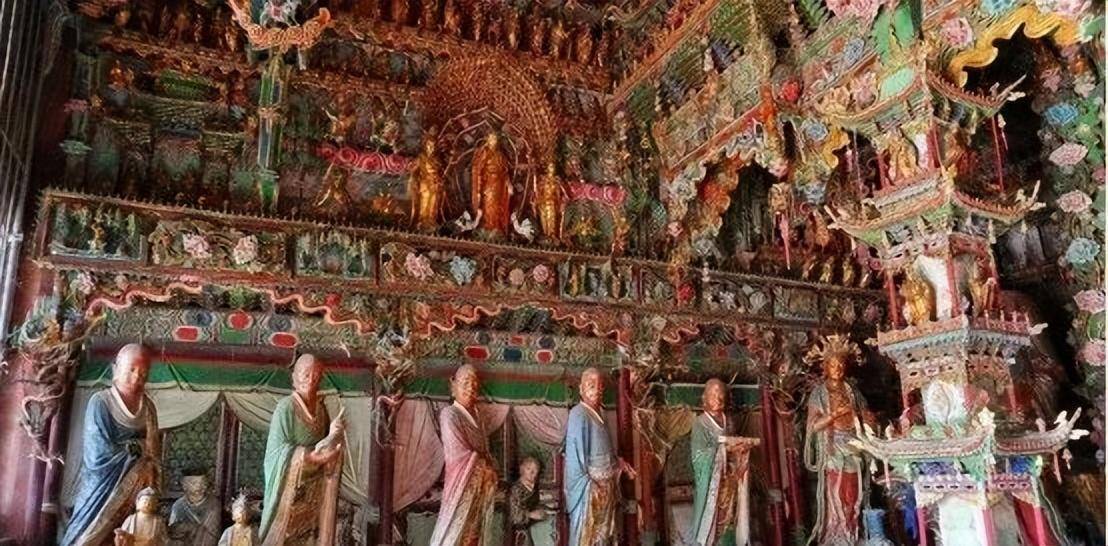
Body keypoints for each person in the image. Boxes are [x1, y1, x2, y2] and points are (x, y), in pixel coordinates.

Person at [62, 344, 160, 546]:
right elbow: (97, 452)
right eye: (131, 369)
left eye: (143, 373)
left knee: (130, 530)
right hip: (102, 483)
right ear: (116, 369)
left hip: (137, 483)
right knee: (88, 533)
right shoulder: (101, 402)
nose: (137, 377)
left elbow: (153, 448)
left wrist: (147, 459)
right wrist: (133, 450)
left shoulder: (148, 407)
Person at [259, 354, 346, 545]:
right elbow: (276, 452)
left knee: (309, 535)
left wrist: (334, 434)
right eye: (306, 374)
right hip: (290, 488)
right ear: (294, 377)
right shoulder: (286, 408)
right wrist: (309, 457)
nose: (310, 380)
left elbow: (325, 445)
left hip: (314, 488)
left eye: (316, 375)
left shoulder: (321, 410)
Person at [803, 335, 872, 546]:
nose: (838, 369)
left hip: (854, 445)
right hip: (833, 448)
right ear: (825, 367)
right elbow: (813, 426)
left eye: (841, 364)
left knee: (854, 492)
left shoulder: (853, 391)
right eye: (833, 365)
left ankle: (853, 532)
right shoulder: (819, 394)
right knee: (836, 493)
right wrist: (833, 415)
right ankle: (836, 535)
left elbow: (866, 416)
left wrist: (869, 418)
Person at [564, 368, 635, 546]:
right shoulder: (578, 414)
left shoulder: (600, 413)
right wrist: (589, 485)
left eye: (599, 385)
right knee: (589, 537)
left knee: (604, 539)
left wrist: (619, 464)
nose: (596, 389)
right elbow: (574, 459)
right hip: (591, 490)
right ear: (581, 388)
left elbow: (605, 452)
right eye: (590, 384)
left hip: (606, 488)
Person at [429, 364, 499, 546]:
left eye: (474, 384)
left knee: (474, 534)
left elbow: (485, 451)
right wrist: (484, 466)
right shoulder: (449, 414)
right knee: (456, 533)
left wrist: (490, 468)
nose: (471, 388)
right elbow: (458, 454)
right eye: (466, 383)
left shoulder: (478, 417)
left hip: (480, 485)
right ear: (453, 385)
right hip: (461, 484)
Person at [690, 379, 755, 546]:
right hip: (712, 481)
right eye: (713, 394)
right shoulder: (700, 423)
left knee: (731, 513)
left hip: (730, 478)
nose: (718, 399)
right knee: (716, 516)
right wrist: (722, 449)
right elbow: (698, 456)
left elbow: (733, 444)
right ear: (704, 398)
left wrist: (741, 449)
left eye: (721, 394)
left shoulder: (729, 421)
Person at [168, 472, 221, 546]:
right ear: (185, 486)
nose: (199, 487)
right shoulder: (178, 505)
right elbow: (173, 531)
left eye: (202, 483)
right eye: (194, 483)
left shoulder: (213, 503)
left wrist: (193, 528)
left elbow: (212, 532)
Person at [508, 457, 549, 546]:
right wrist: (531, 514)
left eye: (535, 469)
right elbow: (515, 516)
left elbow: (535, 504)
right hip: (518, 531)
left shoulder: (534, 487)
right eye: (528, 469)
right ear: (522, 470)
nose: (531, 472)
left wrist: (541, 511)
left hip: (532, 526)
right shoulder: (516, 489)